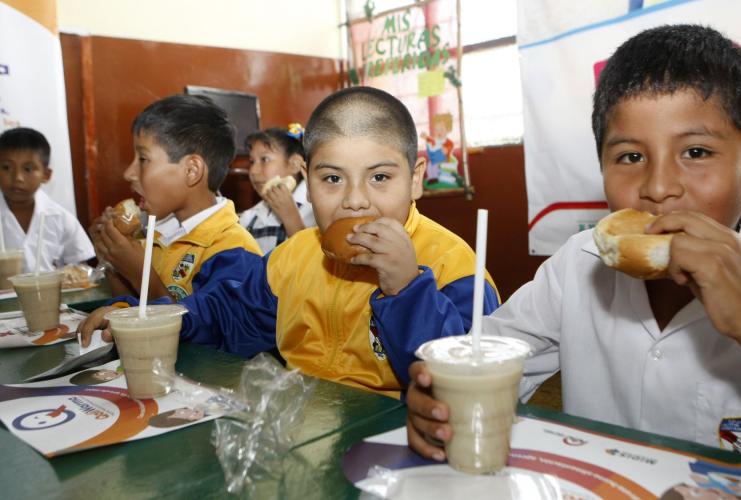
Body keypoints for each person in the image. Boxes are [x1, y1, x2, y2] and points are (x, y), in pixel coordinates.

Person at [406, 24, 741, 463]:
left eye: (696, 152)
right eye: (630, 157)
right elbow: (493, 353)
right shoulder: (580, 263)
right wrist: (439, 397)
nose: (659, 186)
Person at [80, 86, 500, 398]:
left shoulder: (456, 269)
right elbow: (227, 315)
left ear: (415, 178)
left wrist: (408, 290)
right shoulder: (295, 257)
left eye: (380, 177)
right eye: (332, 179)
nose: (355, 201)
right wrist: (150, 317)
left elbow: (462, 385)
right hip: (302, 433)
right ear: (306, 178)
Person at [86, 94, 262, 302]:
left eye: (143, 159)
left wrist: (140, 272)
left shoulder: (235, 251)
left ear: (191, 170)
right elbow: (132, 312)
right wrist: (112, 260)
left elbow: (201, 332)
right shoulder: (153, 236)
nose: (129, 173)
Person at [0, 127, 94, 272]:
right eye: (6, 167)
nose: (17, 178)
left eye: (28, 169)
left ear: (46, 175)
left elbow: (81, 271)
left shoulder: (61, 219)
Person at [238, 124, 316, 253]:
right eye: (252, 161)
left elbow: (313, 262)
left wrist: (290, 217)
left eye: (265, 159)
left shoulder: (316, 209)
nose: (253, 171)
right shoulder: (249, 217)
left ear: (295, 164)